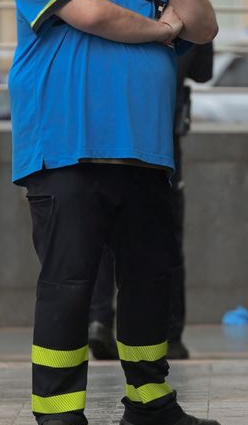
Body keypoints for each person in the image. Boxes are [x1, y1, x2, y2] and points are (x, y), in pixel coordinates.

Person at [9, 0, 221, 425]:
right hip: (68, 151)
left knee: (151, 282)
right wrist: (161, 30)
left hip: (145, 154)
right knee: (69, 283)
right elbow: (92, 15)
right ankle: (57, 417)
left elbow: (206, 26)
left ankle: (150, 406)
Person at [88, 42, 215, 362]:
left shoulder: (114, 0)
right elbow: (203, 72)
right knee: (166, 236)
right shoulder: (180, 9)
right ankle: (169, 334)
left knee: (101, 230)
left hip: (108, 133)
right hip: (161, 141)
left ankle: (99, 320)